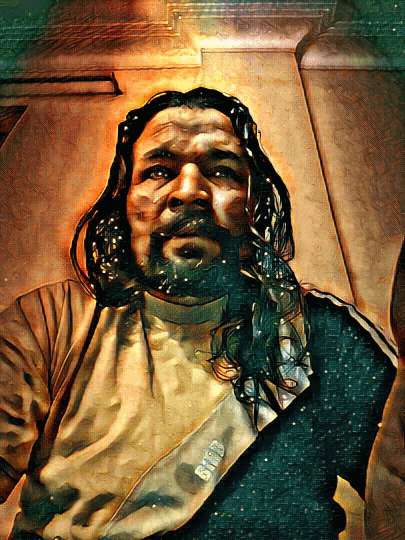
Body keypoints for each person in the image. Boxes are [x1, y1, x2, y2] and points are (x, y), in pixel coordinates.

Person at [0, 88, 396, 540]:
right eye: (159, 170)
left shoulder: (317, 333)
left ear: (251, 206)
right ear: (125, 204)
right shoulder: (50, 324)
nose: (189, 191)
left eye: (222, 171)